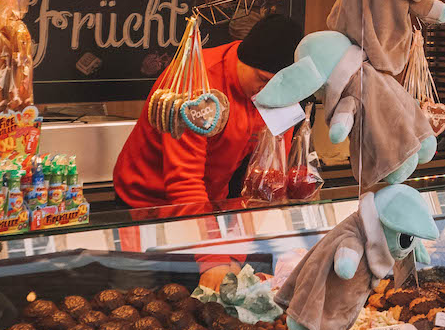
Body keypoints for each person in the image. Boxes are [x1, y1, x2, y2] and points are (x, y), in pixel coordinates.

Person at [113, 13, 304, 218]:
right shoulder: (196, 85)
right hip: (146, 204)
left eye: (277, 86)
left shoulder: (279, 93)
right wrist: (208, 241)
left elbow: (274, 169)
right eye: (262, 79)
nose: (268, 92)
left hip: (212, 202)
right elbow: (184, 180)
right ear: (243, 59)